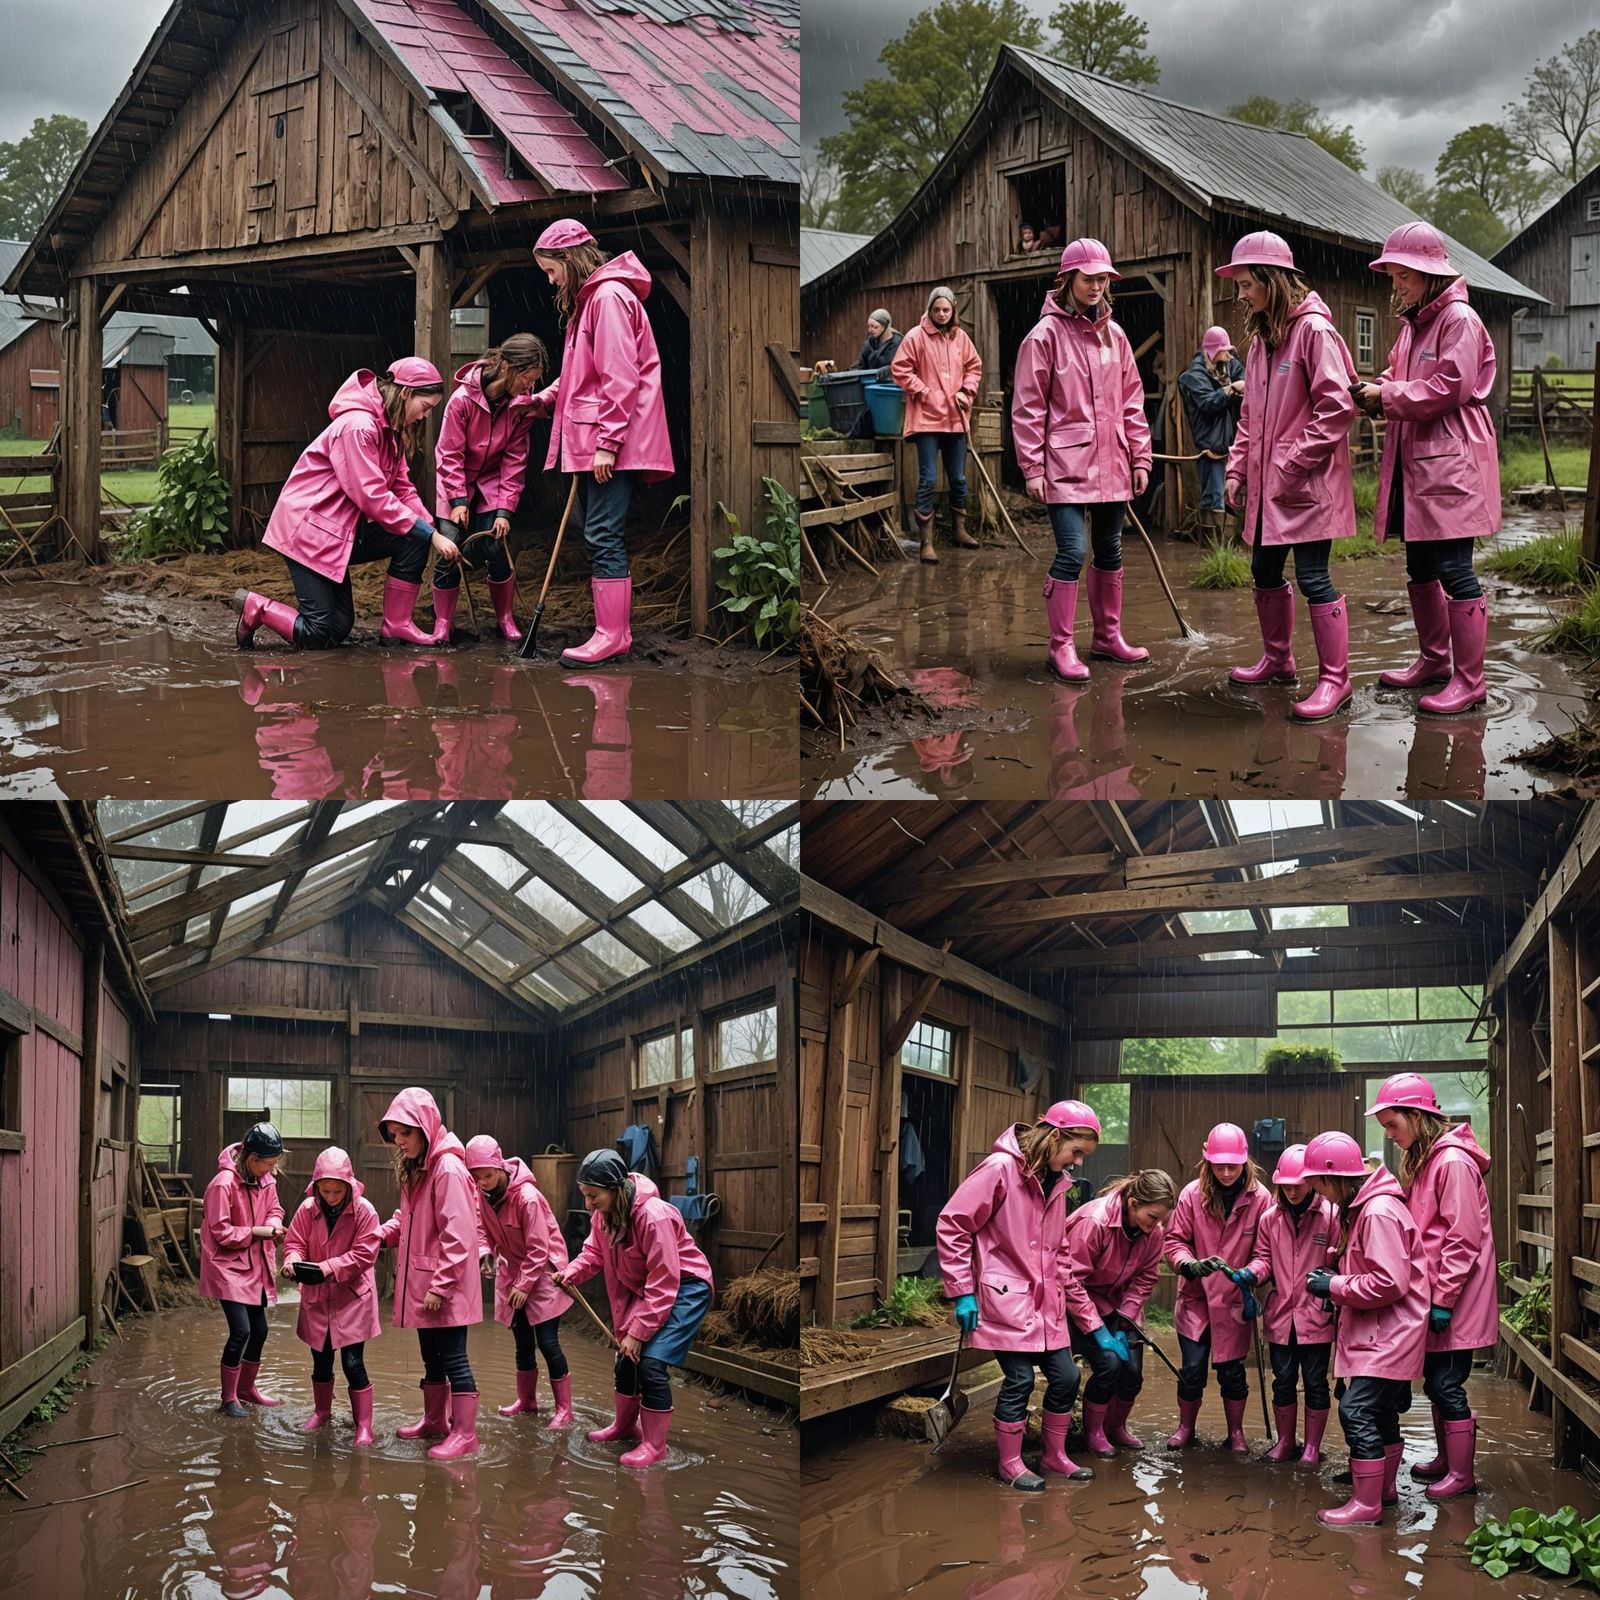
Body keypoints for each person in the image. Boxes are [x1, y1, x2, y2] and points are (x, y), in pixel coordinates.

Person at [1360, 223, 1500, 715]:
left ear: (1428, 274)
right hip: (1418, 463)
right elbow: (1399, 375)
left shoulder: (1458, 319)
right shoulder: (1413, 324)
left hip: (1451, 463)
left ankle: (1470, 679)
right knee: (1419, 565)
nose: (1395, 285)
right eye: (1393, 276)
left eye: (1403, 276)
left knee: (1456, 568)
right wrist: (1375, 389)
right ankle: (1434, 660)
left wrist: (1388, 396)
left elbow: (1450, 386)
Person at [1219, 233, 1359, 717]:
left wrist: (1292, 462)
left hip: (1306, 485)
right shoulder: (1262, 341)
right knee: (1263, 570)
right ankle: (1279, 661)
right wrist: (1237, 468)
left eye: (1245, 284)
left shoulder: (1314, 332)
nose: (1240, 295)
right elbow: (1250, 417)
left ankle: (1335, 682)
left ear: (1272, 281)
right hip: (1270, 486)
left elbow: (1337, 409)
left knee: (1313, 576)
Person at [935, 1101, 1107, 1492]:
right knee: (1019, 1379)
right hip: (1003, 1300)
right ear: (1055, 1136)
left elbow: (1059, 1246)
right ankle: (1010, 1462)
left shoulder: (1058, 1182)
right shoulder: (999, 1170)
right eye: (1076, 1151)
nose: (1078, 1162)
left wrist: (1067, 1295)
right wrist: (962, 1292)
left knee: (1067, 1376)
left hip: (1047, 1304)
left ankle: (1053, 1455)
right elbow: (953, 1224)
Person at [233, 359, 458, 650]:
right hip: (308, 532)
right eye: (425, 407)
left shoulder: (392, 431)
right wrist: (431, 536)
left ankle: (396, 625)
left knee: (339, 628)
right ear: (405, 394)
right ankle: (255, 607)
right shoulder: (358, 427)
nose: (424, 416)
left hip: (339, 532)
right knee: (316, 634)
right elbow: (372, 497)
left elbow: (402, 486)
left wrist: (430, 527)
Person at [531, 219, 673, 667]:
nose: (550, 279)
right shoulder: (593, 300)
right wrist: (544, 399)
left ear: (569, 260)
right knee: (593, 531)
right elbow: (581, 376)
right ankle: (614, 631)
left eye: (551, 270)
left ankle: (612, 635)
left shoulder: (609, 299)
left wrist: (608, 443)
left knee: (602, 533)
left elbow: (619, 376)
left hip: (609, 442)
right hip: (600, 438)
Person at [1011, 238, 1153, 682]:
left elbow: (1133, 401)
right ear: (1067, 278)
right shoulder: (1044, 337)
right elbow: (1028, 407)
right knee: (1072, 549)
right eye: (1088, 278)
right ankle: (1061, 646)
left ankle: (1108, 637)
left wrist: (1140, 458)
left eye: (1102, 280)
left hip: (1113, 460)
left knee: (1110, 548)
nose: (1096, 287)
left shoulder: (1117, 335)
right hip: (1065, 464)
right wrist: (1032, 468)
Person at [1369, 1072, 1494, 1498]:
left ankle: (1462, 1475)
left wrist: (1442, 1299)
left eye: (1392, 1124)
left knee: (1446, 1383)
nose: (1389, 1134)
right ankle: (1447, 1460)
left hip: (1455, 1297)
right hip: (1440, 1294)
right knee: (1437, 1380)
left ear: (1417, 1116)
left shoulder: (1452, 1162)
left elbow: (1463, 1237)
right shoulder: (1428, 1159)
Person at [554, 1149, 714, 1466]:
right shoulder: (603, 1216)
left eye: (593, 1196)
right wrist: (570, 1272)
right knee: (625, 1358)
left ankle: (655, 1446)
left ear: (615, 1188)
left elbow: (665, 1279)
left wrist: (639, 1332)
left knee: (651, 1364)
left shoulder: (654, 1216)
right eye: (585, 1196)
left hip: (685, 1287)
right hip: (649, 1289)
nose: (588, 1205)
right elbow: (593, 1254)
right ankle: (625, 1426)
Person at [1302, 1131, 1430, 1526]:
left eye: (1318, 1184)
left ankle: (1367, 1503)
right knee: (1381, 1411)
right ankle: (1384, 1491)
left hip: (1388, 1334)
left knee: (1355, 1410)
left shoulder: (1376, 1212)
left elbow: (1389, 1281)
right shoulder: (1364, 1207)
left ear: (1333, 1176)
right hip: (1388, 1331)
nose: (1317, 1194)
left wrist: (1334, 1286)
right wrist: (1336, 1272)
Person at [377, 1088, 483, 1460]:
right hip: (427, 1285)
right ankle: (435, 1421)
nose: (399, 1141)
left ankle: (466, 1434)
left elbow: (459, 1236)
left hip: (443, 1287)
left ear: (424, 1126)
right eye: (394, 1135)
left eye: (404, 1133)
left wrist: (440, 1286)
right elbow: (410, 1222)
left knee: (454, 1357)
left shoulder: (448, 1170)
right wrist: (383, 1235)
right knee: (432, 1357)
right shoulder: (420, 1168)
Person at [432, 335, 551, 644]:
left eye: (534, 382)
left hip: (493, 486)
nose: (530, 388)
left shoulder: (519, 409)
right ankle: (443, 623)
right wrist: (458, 500)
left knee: (496, 547)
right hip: (454, 482)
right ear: (507, 368)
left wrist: (504, 510)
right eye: (526, 379)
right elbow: (449, 455)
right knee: (450, 548)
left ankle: (505, 618)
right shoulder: (461, 401)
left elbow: (514, 461)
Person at [1162, 1122, 1271, 1452]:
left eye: (1232, 1166)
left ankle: (1235, 1433)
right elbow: (1175, 1240)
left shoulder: (1261, 1199)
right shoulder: (1191, 1195)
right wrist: (1189, 1265)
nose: (1225, 1172)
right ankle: (1185, 1428)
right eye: (1218, 1165)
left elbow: (1265, 1253)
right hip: (1195, 1297)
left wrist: (1252, 1274)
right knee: (1192, 1368)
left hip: (1235, 1299)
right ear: (1207, 1161)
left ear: (1245, 1162)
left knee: (1232, 1372)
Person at [1062, 1167, 1177, 1455]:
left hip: (1120, 1303)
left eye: (1161, 1220)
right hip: (1079, 1300)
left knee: (1132, 1372)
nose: (1155, 1226)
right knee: (1108, 1364)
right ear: (1133, 1203)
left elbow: (1146, 1278)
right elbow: (1070, 1279)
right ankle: (1094, 1433)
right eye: (1152, 1217)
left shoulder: (1154, 1232)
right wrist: (1097, 1329)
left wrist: (1125, 1321)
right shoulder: (1095, 1222)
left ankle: (1116, 1427)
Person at [465, 1134, 575, 1428]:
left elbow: (539, 1248)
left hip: (543, 1275)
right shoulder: (482, 1195)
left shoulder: (527, 1198)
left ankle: (565, 1409)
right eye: (477, 1178)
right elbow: (480, 1227)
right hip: (513, 1271)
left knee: (548, 1343)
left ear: (500, 1167)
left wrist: (524, 1285)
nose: (483, 1182)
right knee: (522, 1341)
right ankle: (527, 1401)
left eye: (487, 1175)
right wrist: (486, 1253)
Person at [280, 1146, 382, 1446]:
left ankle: (363, 1424)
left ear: (350, 1186)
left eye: (338, 1190)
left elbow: (365, 1255)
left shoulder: (365, 1211)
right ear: (316, 1188)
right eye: (326, 1190)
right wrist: (291, 1262)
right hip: (317, 1297)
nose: (332, 1196)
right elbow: (294, 1242)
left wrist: (325, 1268)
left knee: (353, 1363)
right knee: (320, 1360)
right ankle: (322, 1411)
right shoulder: (307, 1209)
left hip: (352, 1298)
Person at [1246, 1143, 1337, 1465]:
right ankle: (1285, 1442)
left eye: (1298, 1185)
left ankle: (1311, 1448)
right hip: (1281, 1314)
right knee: (1282, 1380)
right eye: (1285, 1186)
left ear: (1312, 1181)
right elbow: (1263, 1259)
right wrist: (1251, 1275)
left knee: (1315, 1382)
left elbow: (1341, 1262)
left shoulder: (1331, 1215)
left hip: (1317, 1318)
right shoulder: (1270, 1218)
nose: (1292, 1192)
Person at [200, 1121, 286, 1417]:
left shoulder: (266, 1180)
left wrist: (274, 1224)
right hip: (227, 1266)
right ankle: (228, 1399)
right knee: (241, 1331)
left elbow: (276, 1209)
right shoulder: (222, 1185)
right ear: (252, 1160)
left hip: (255, 1264)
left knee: (259, 1331)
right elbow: (221, 1232)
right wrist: (258, 1232)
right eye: (268, 1164)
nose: (272, 1170)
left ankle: (247, 1389)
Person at [891, 285, 982, 562]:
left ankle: (959, 530)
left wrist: (967, 392)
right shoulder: (915, 336)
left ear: (953, 310)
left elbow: (974, 367)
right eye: (937, 309)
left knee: (958, 479)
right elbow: (900, 369)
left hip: (956, 418)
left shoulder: (961, 338)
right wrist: (924, 391)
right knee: (928, 479)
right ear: (929, 310)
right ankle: (926, 543)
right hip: (927, 419)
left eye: (946, 309)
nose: (942, 314)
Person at [1178, 326, 1245, 535]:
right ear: (1213, 351)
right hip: (1211, 446)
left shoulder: (1229, 366)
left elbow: (1248, 382)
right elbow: (1208, 403)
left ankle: (1235, 548)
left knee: (1236, 495)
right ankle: (1213, 553)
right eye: (1224, 350)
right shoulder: (1193, 377)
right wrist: (1232, 389)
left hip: (1234, 444)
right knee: (1213, 497)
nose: (1228, 354)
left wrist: (1241, 385)